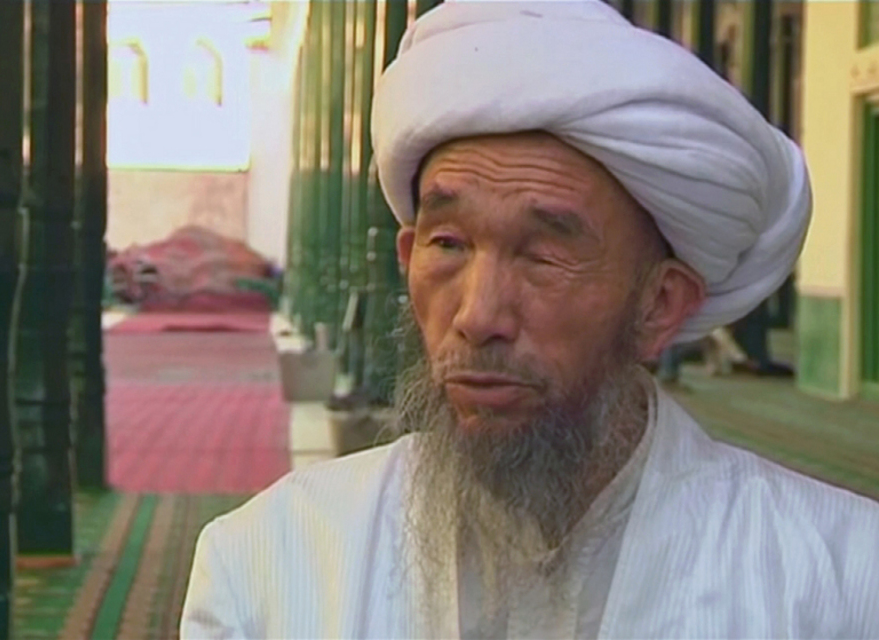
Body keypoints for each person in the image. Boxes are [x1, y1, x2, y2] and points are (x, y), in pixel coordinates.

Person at [181, 2, 879, 638]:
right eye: (448, 245)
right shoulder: (265, 565)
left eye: (544, 255)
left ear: (659, 305)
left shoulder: (840, 580)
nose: (478, 316)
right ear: (408, 255)